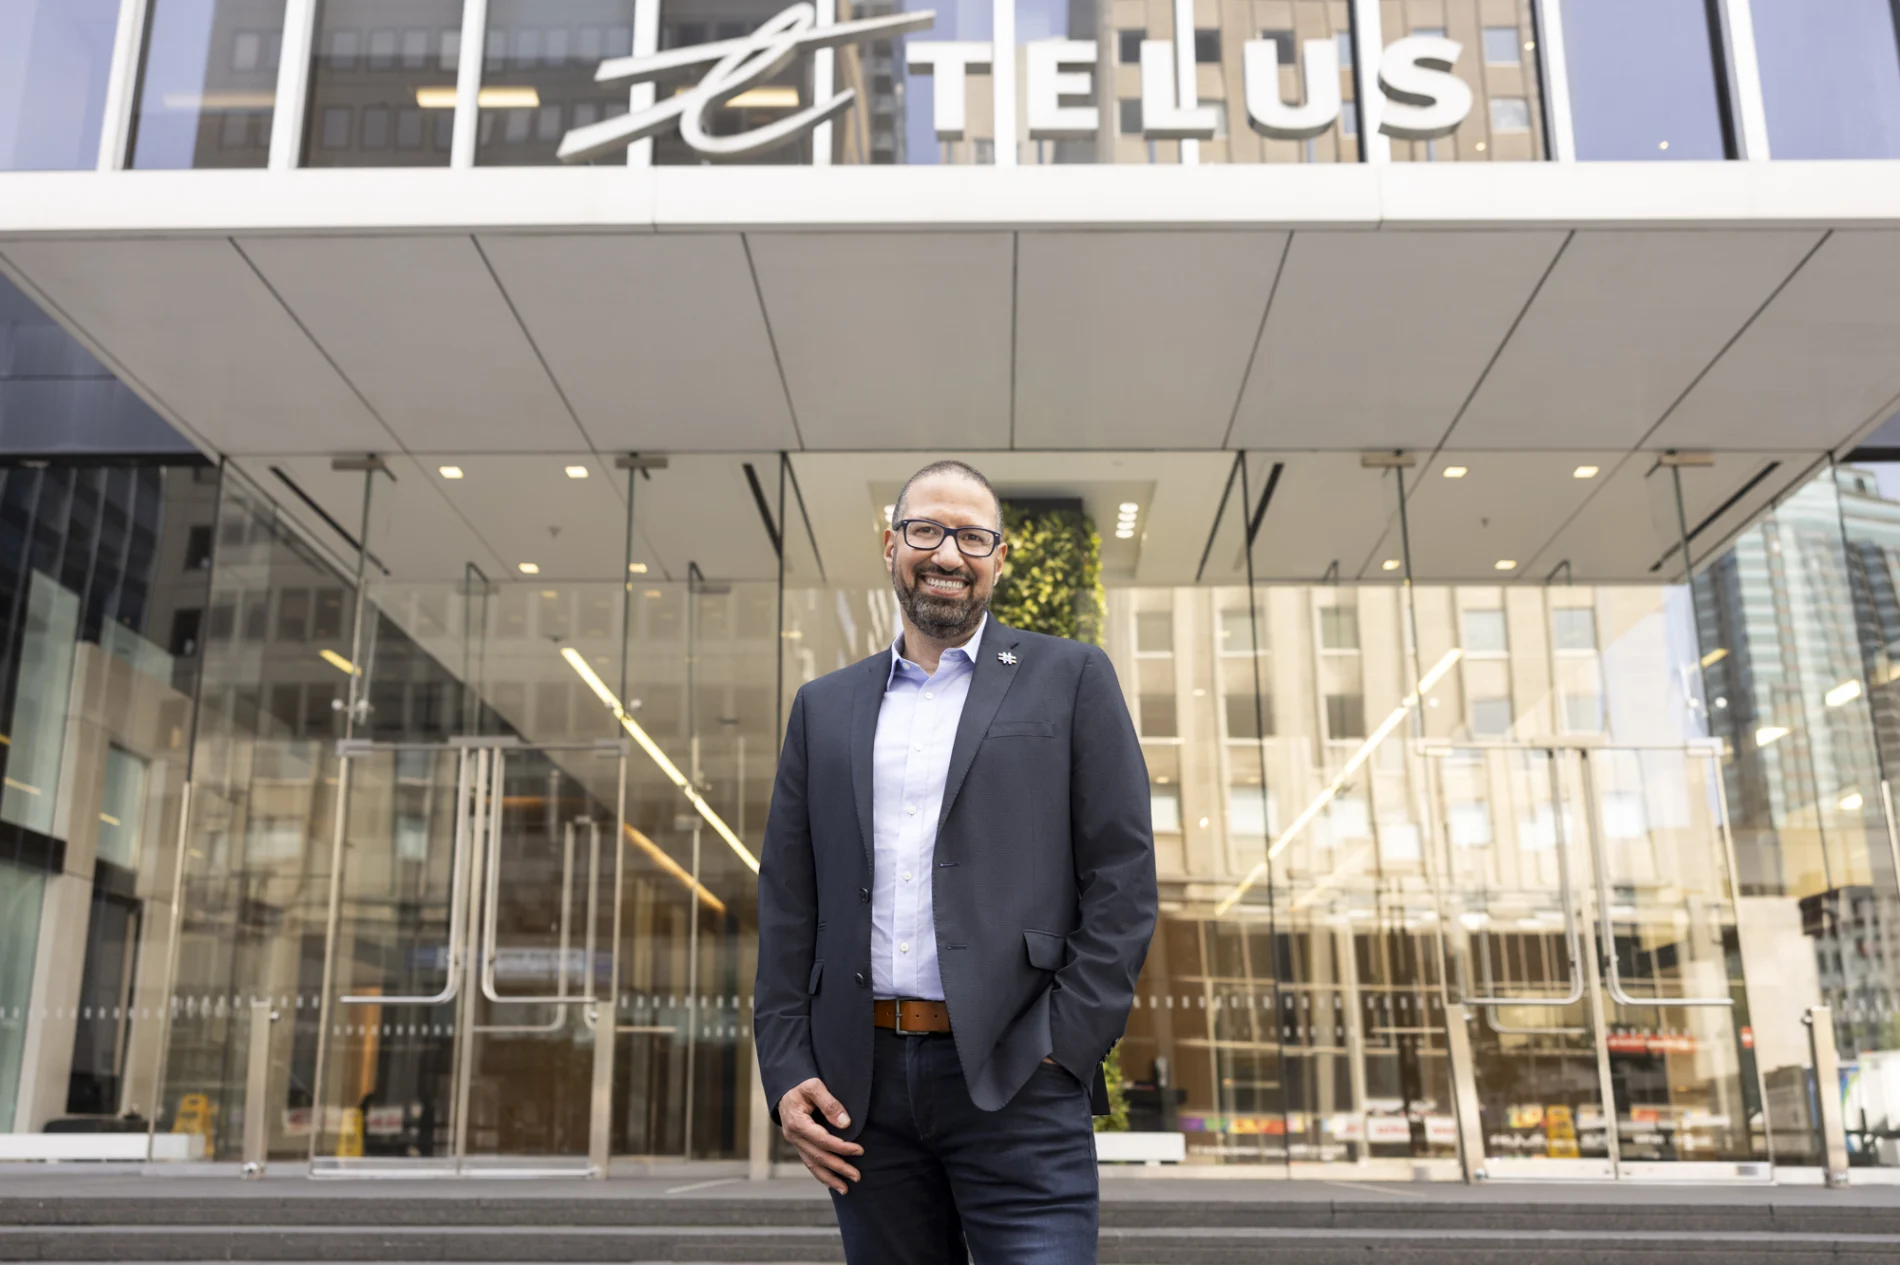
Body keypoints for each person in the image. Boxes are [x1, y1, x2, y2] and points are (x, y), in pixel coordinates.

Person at [754, 460, 1157, 1264]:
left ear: (998, 558)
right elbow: (788, 902)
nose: (948, 553)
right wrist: (788, 1062)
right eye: (926, 530)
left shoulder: (1071, 678)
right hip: (860, 1092)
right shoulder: (823, 707)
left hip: (1019, 1077)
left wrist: (1065, 1045)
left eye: (972, 536)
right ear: (890, 545)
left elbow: (1122, 876)